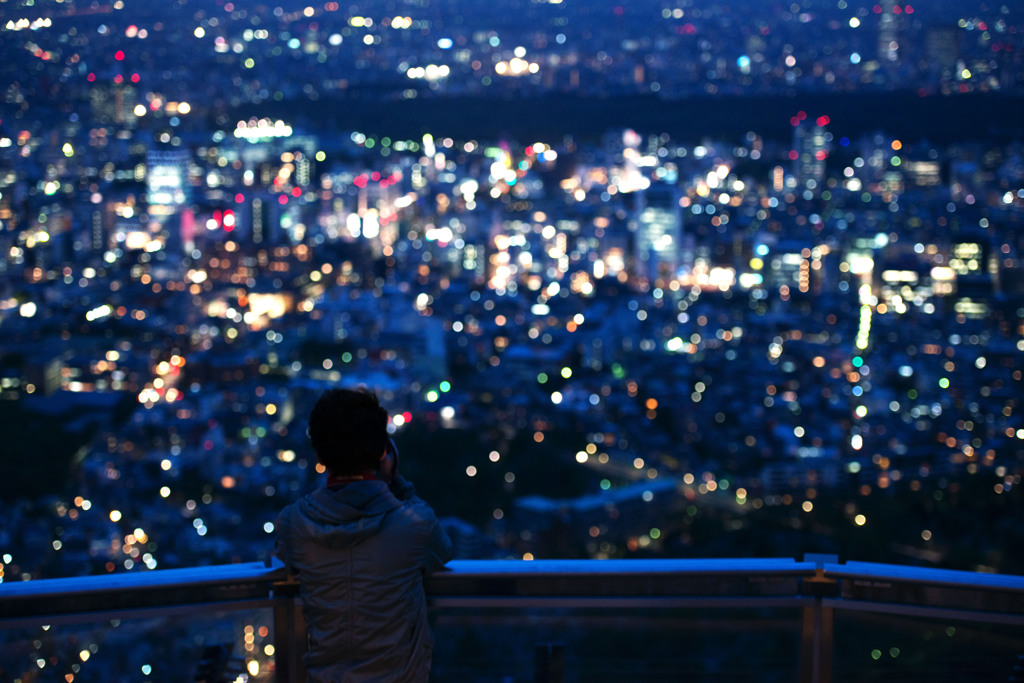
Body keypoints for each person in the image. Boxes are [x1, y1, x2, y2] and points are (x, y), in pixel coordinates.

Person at [275, 388, 453, 682]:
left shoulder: (294, 524)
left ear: (318, 453)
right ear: (384, 452)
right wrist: (397, 482)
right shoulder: (414, 524)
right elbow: (442, 551)